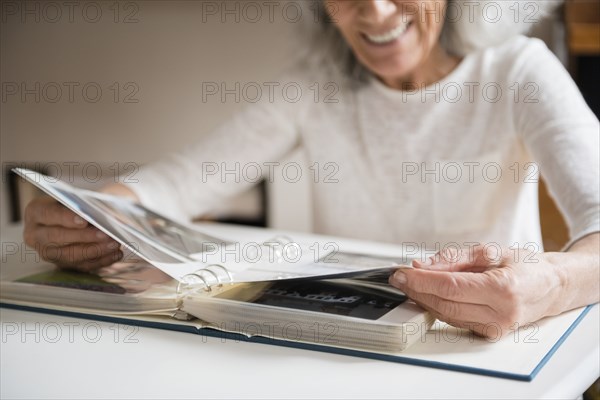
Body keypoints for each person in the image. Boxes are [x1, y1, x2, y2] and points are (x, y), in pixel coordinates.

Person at [23, 0, 599, 338]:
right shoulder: (312, 87)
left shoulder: (519, 70)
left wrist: (547, 285)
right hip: (346, 336)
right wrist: (85, 214)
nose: (373, 12)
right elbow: (183, 180)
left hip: (476, 346)